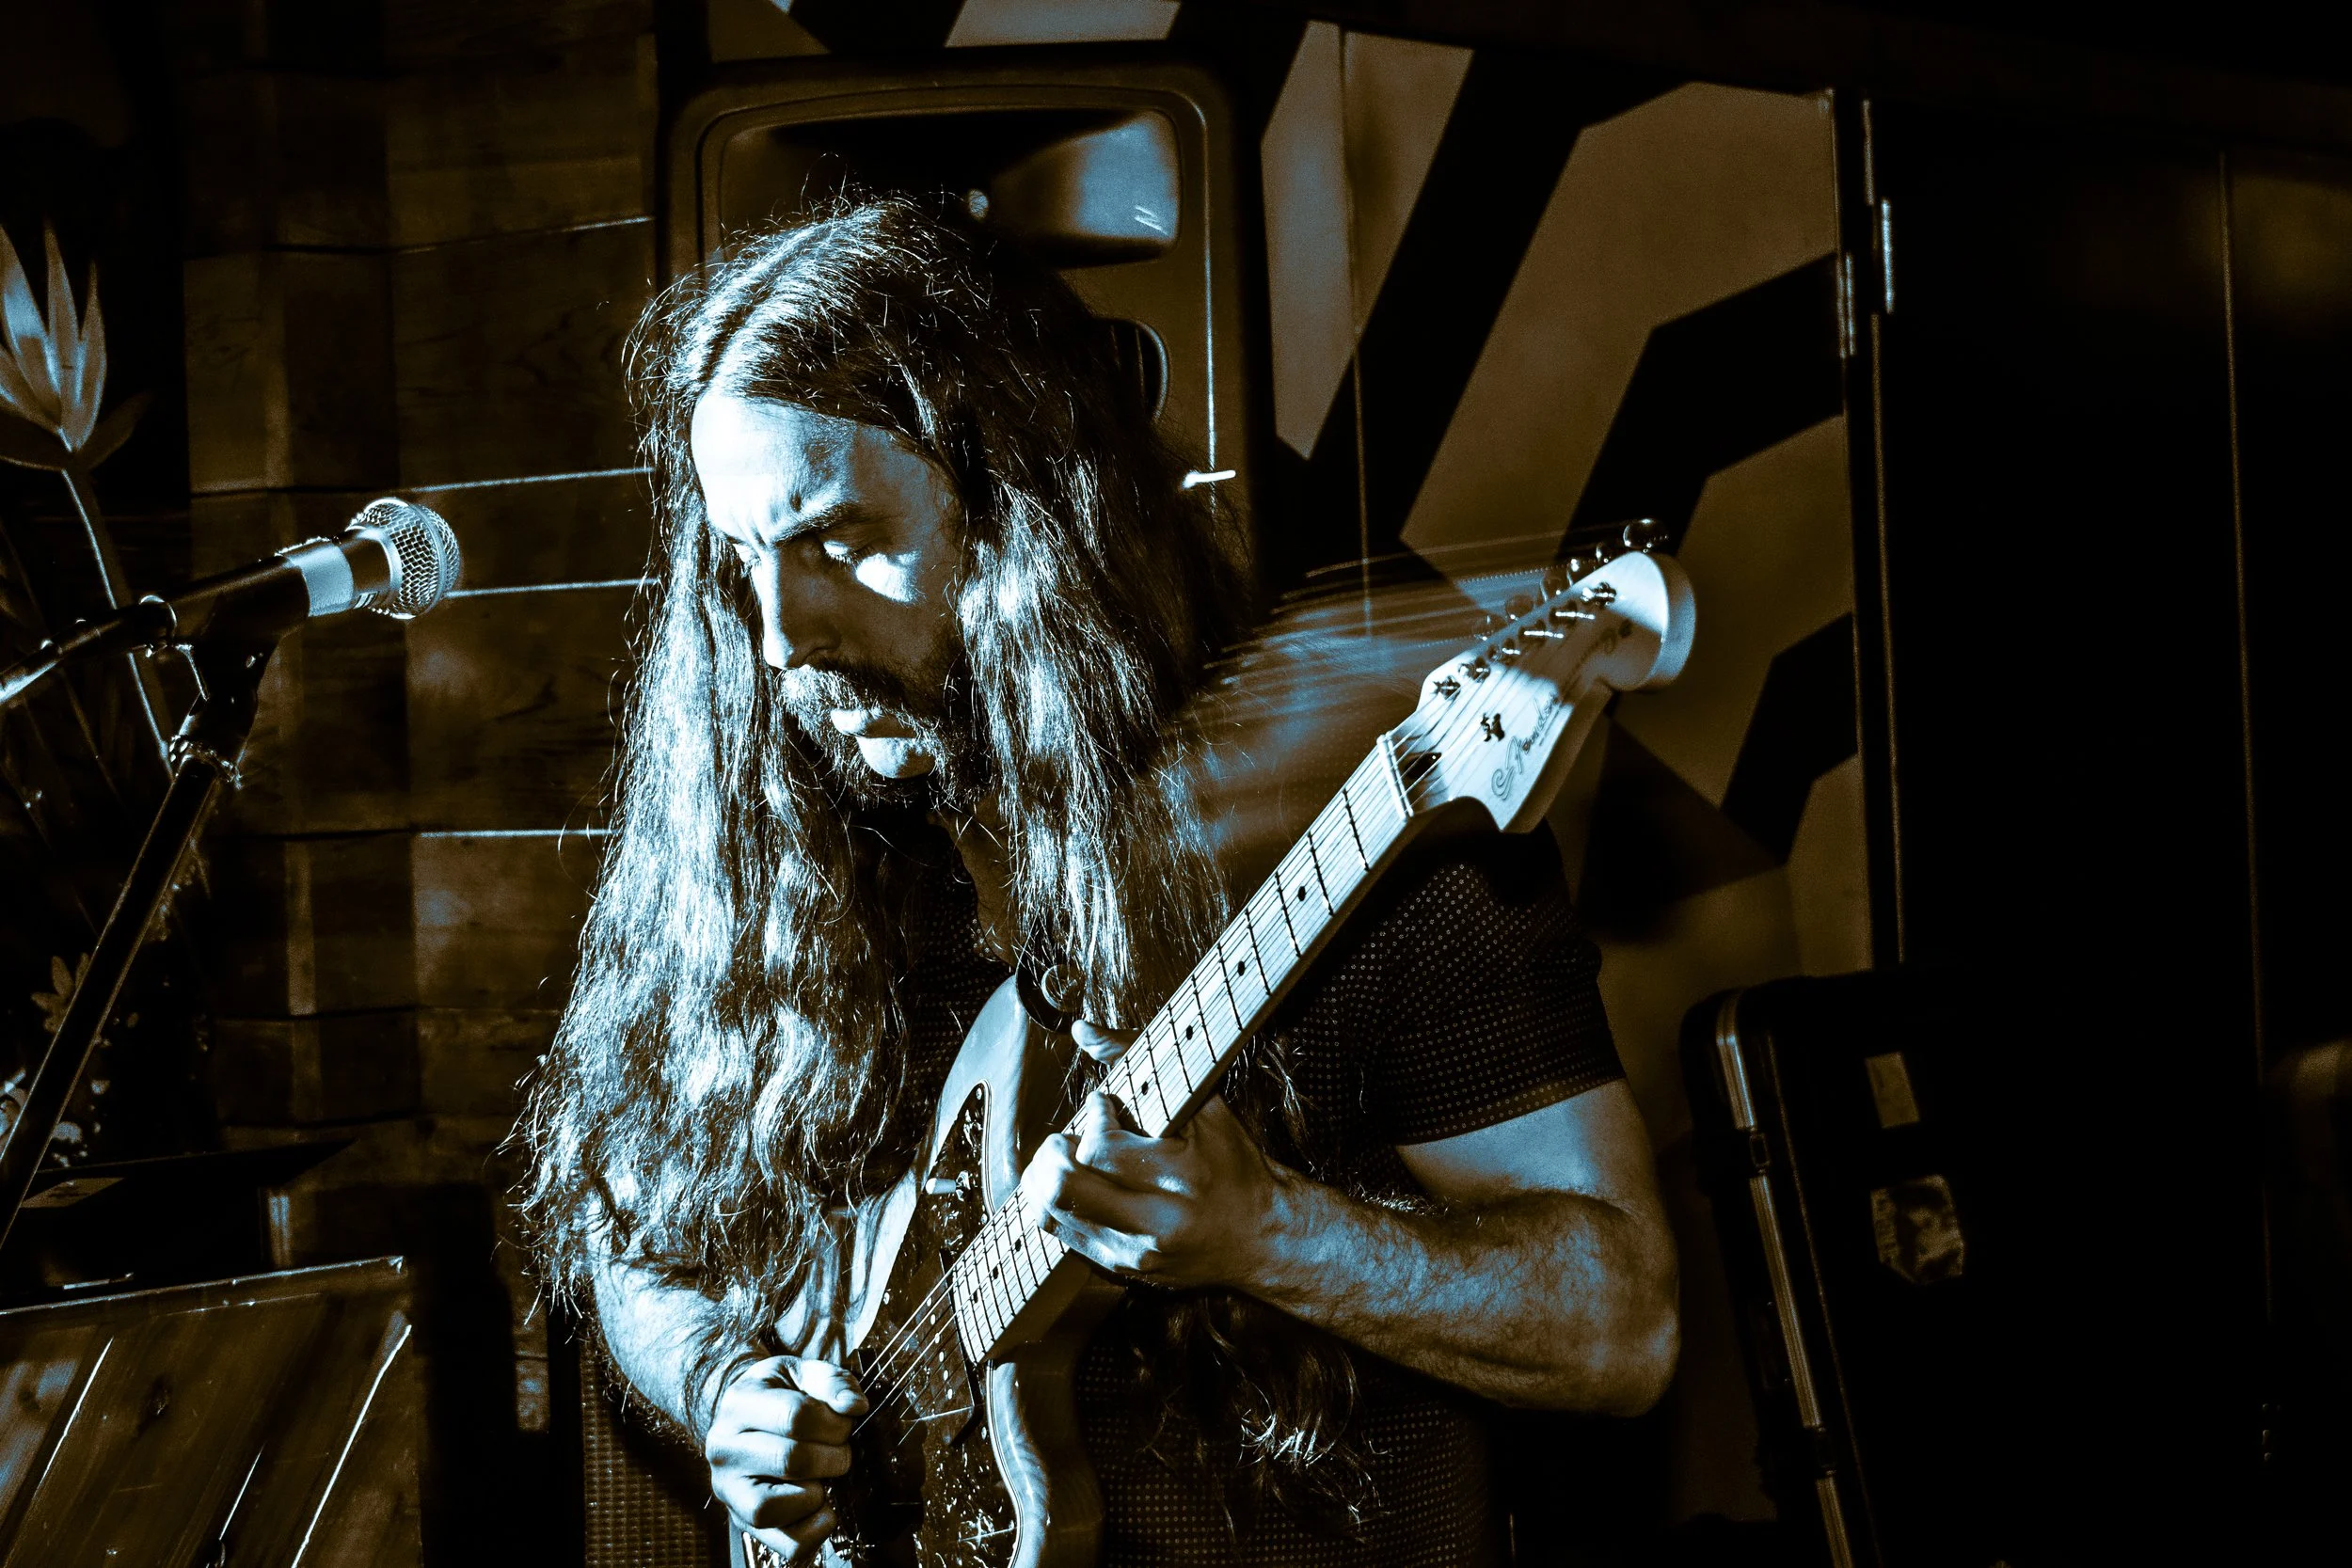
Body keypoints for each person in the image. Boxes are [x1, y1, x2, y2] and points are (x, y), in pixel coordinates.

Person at [520, 196, 1679, 1567]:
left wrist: (1274, 1233)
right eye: (741, 562)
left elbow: (1620, 1328)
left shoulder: (1358, 845)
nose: (779, 637)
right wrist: (726, 1385)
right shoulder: (779, 839)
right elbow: (631, 1228)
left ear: (1022, 512)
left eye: (837, 539)